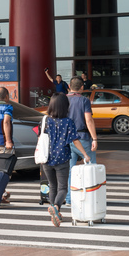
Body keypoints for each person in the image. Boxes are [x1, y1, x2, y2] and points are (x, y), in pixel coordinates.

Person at [41, 93, 90, 227]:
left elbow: (40, 138)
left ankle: (55, 211)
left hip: (46, 158)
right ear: (65, 106)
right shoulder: (68, 122)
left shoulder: (45, 120)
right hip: (62, 158)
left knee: (52, 186)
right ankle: (56, 207)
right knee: (63, 188)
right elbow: (75, 140)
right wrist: (85, 154)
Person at [65, 76, 98, 206]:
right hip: (82, 137)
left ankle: (69, 199)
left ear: (69, 86)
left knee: (70, 170)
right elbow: (88, 120)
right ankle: (92, 197)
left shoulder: (63, 100)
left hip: (66, 138)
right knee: (91, 166)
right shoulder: (84, 100)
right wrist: (94, 138)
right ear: (82, 87)